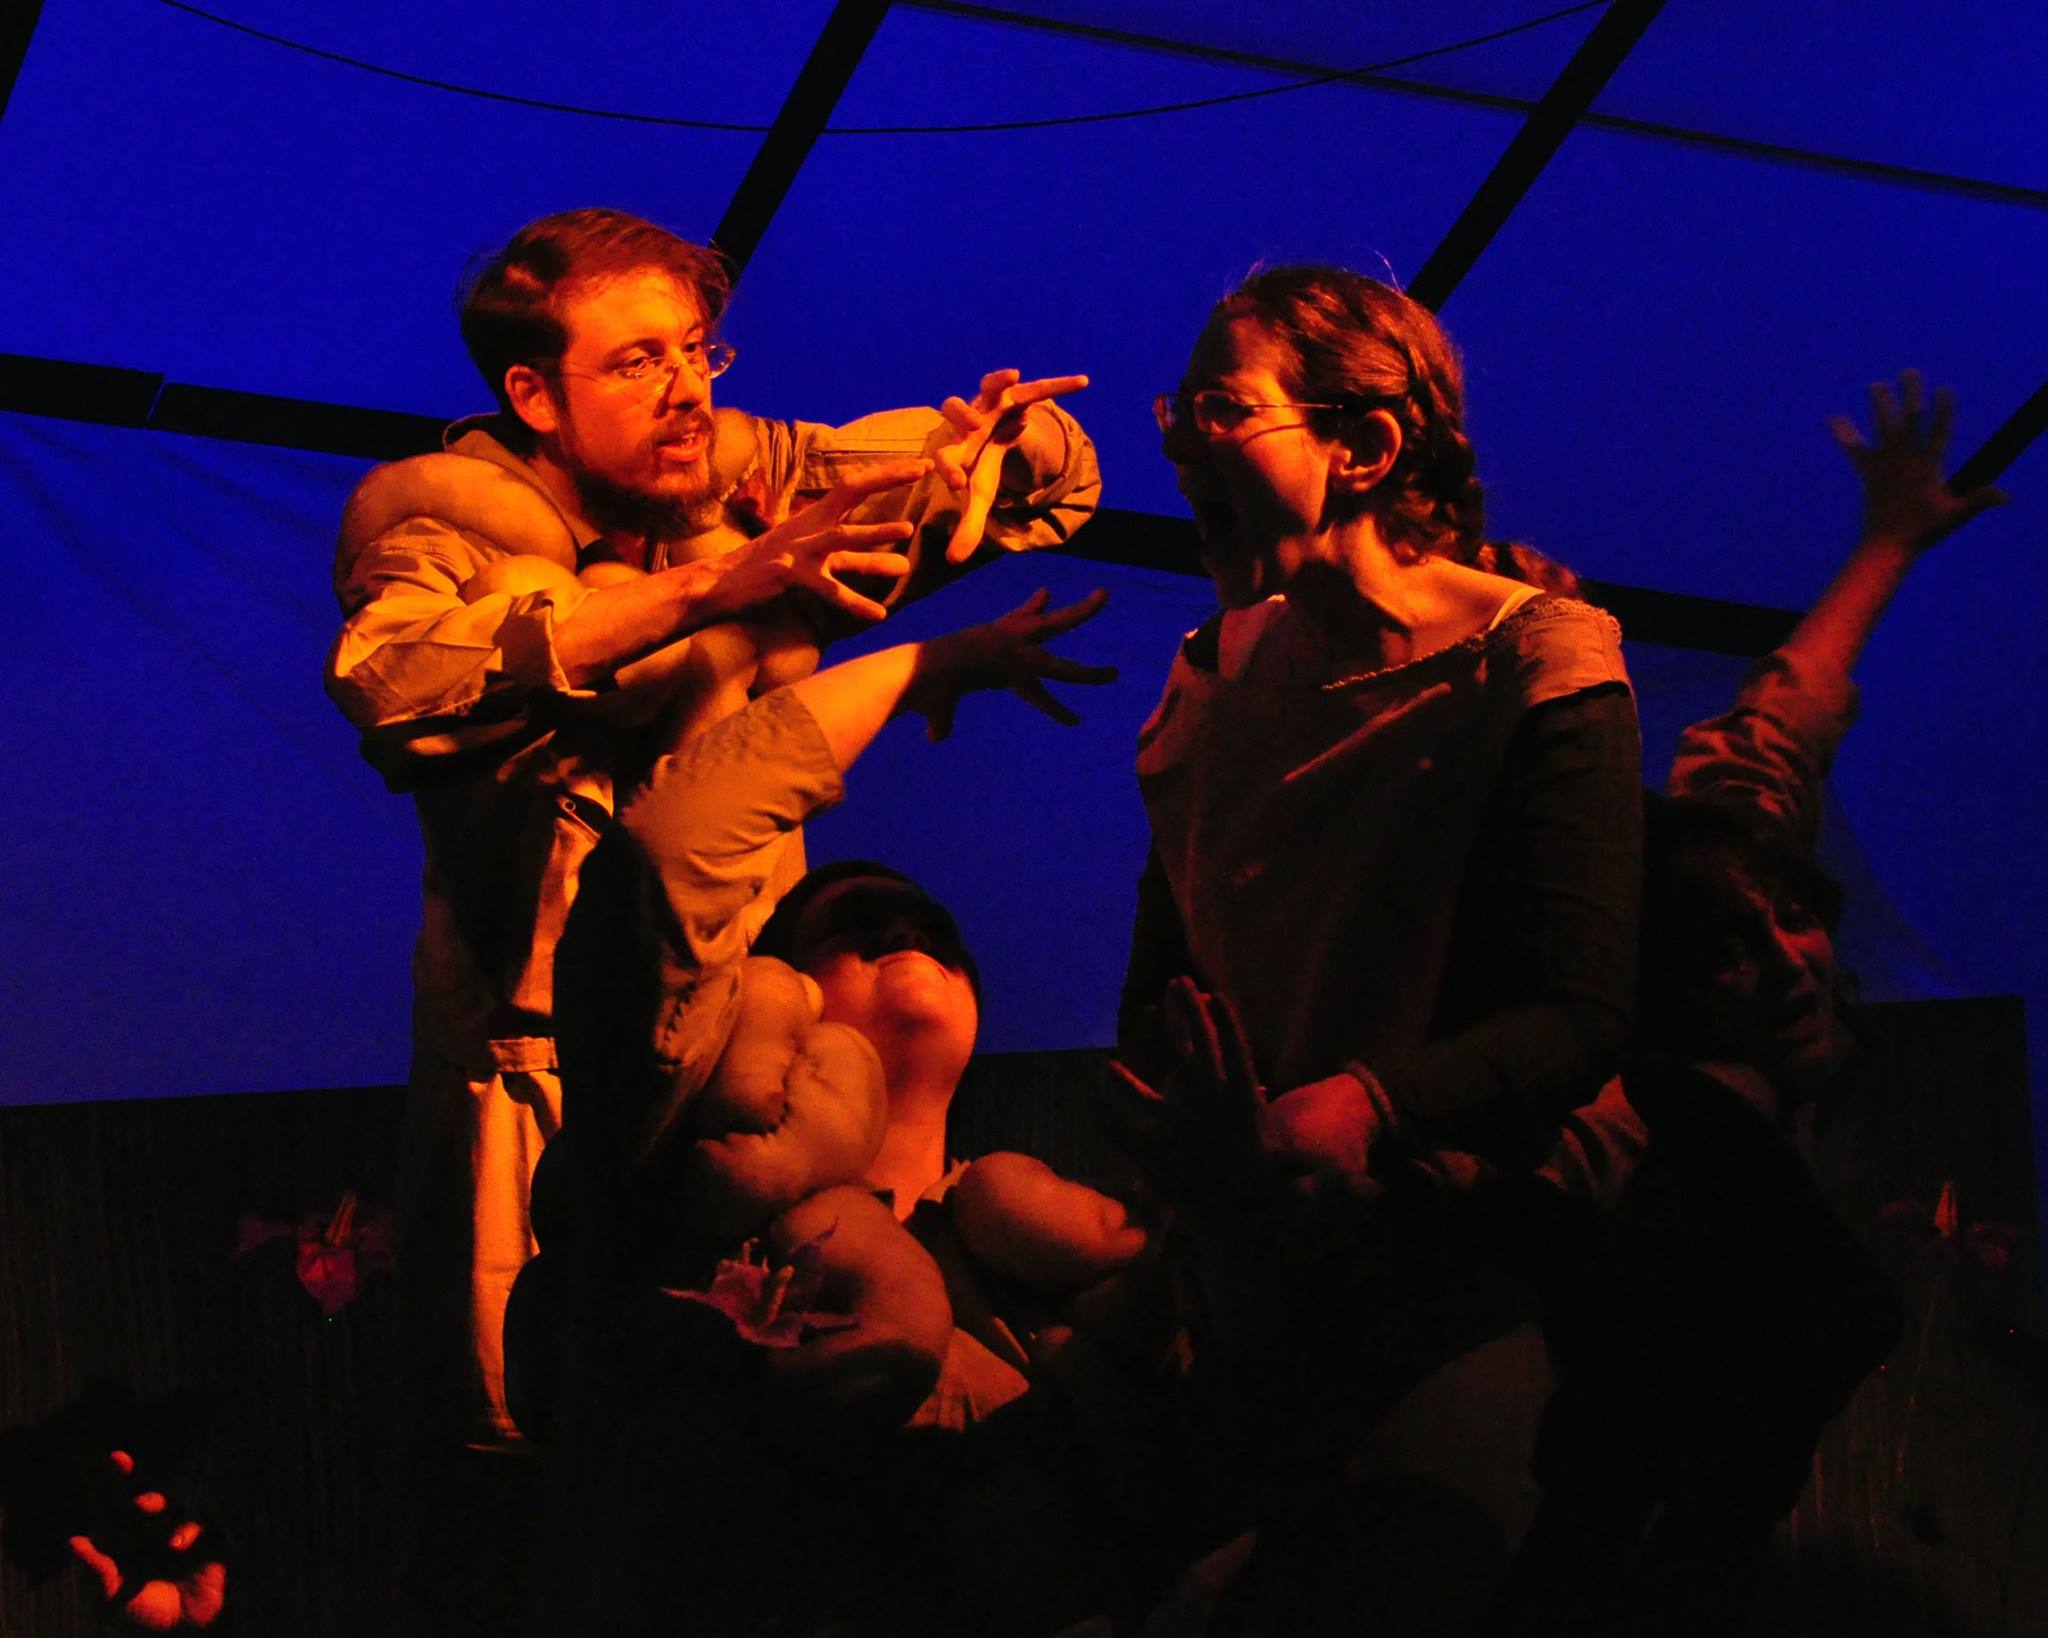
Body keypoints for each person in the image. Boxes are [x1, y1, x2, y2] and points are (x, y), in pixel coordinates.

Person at [323, 205, 1100, 1470]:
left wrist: (997, 450)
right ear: (533, 394)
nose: (686, 389)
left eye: (695, 350)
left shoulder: (743, 482)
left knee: (776, 1452)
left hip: (748, 1065)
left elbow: (1043, 478)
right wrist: (709, 590)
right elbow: (390, 679)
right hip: (539, 1077)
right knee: (543, 1449)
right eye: (638, 362)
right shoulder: (443, 523)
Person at [1114, 264, 1644, 1631]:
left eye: (1221, 409)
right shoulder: (1211, 677)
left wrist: (1360, 1105)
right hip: (1247, 1265)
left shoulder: (1534, 658)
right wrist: (1185, 1131)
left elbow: (1581, 1008)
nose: (1178, 444)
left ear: (1360, 445)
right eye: (1179, 411)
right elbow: (1162, 994)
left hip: (1456, 1258)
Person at [524, 585, 1140, 1632]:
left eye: (935, 932)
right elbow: (668, 853)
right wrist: (927, 666)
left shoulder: (1044, 1248)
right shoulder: (681, 1187)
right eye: (850, 928)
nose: (906, 936)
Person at [1505, 372, 2007, 1634]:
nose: (1787, 959)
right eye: (1731, 951)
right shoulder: (1626, 1105)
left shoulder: (1719, 867)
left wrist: (1888, 540)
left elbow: (1773, 732)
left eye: (1790, 919)